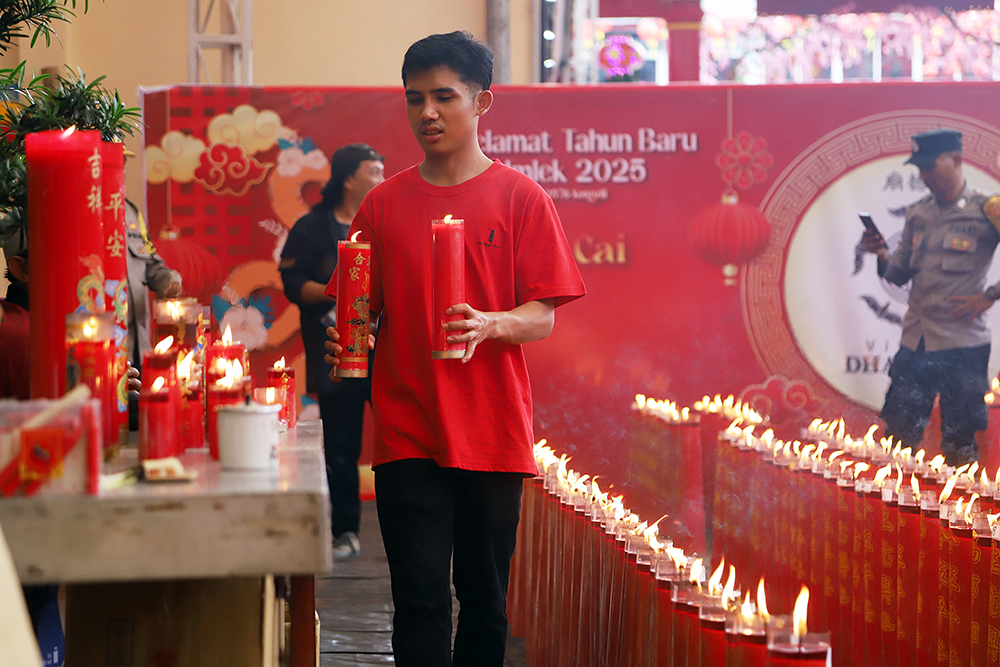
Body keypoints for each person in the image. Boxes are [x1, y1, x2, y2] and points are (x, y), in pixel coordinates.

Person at [324, 31, 585, 667]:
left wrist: (492, 323)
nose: (428, 113)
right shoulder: (382, 205)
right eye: (415, 99)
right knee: (418, 601)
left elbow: (542, 317)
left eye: (444, 97)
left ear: (482, 103)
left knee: (485, 600)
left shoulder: (522, 198)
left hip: (492, 433)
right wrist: (347, 336)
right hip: (407, 431)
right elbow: (364, 308)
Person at [862, 128, 1000, 467]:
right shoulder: (917, 213)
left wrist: (990, 295)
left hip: (962, 344)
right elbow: (898, 273)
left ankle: (959, 518)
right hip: (916, 340)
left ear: (956, 160)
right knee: (898, 435)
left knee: (959, 442)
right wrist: (880, 253)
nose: (924, 176)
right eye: (919, 169)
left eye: (930, 167)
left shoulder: (987, 209)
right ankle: (893, 515)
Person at [278, 143, 385, 560]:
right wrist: (343, 296)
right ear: (348, 178)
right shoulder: (312, 227)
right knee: (341, 445)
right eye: (373, 170)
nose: (381, 177)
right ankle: (345, 532)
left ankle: (407, 524)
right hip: (335, 350)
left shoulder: (383, 220)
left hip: (384, 350)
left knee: (398, 440)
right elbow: (292, 284)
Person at [126, 199, 182, 363]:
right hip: (105, 344)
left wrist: (170, 281)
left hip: (138, 345)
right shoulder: (84, 206)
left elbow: (151, 266)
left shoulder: (130, 211)